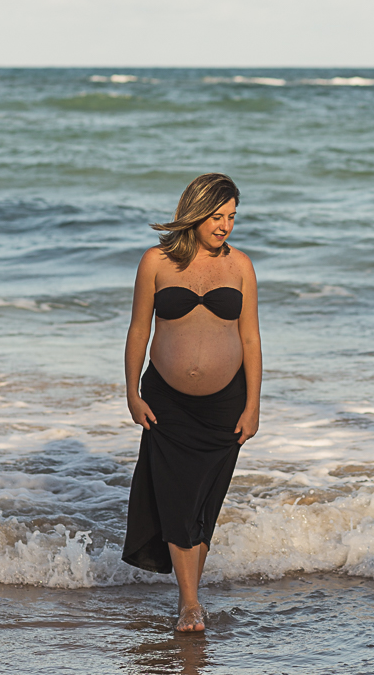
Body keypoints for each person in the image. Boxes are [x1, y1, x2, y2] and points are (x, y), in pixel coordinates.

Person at [121, 173, 262, 633]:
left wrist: (253, 405)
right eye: (218, 216)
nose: (225, 226)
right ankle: (189, 604)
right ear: (196, 212)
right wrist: (132, 393)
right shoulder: (156, 262)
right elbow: (139, 330)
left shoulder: (240, 266)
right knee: (178, 503)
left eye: (232, 217)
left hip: (226, 404)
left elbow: (251, 338)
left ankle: (190, 600)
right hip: (167, 403)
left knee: (204, 506)